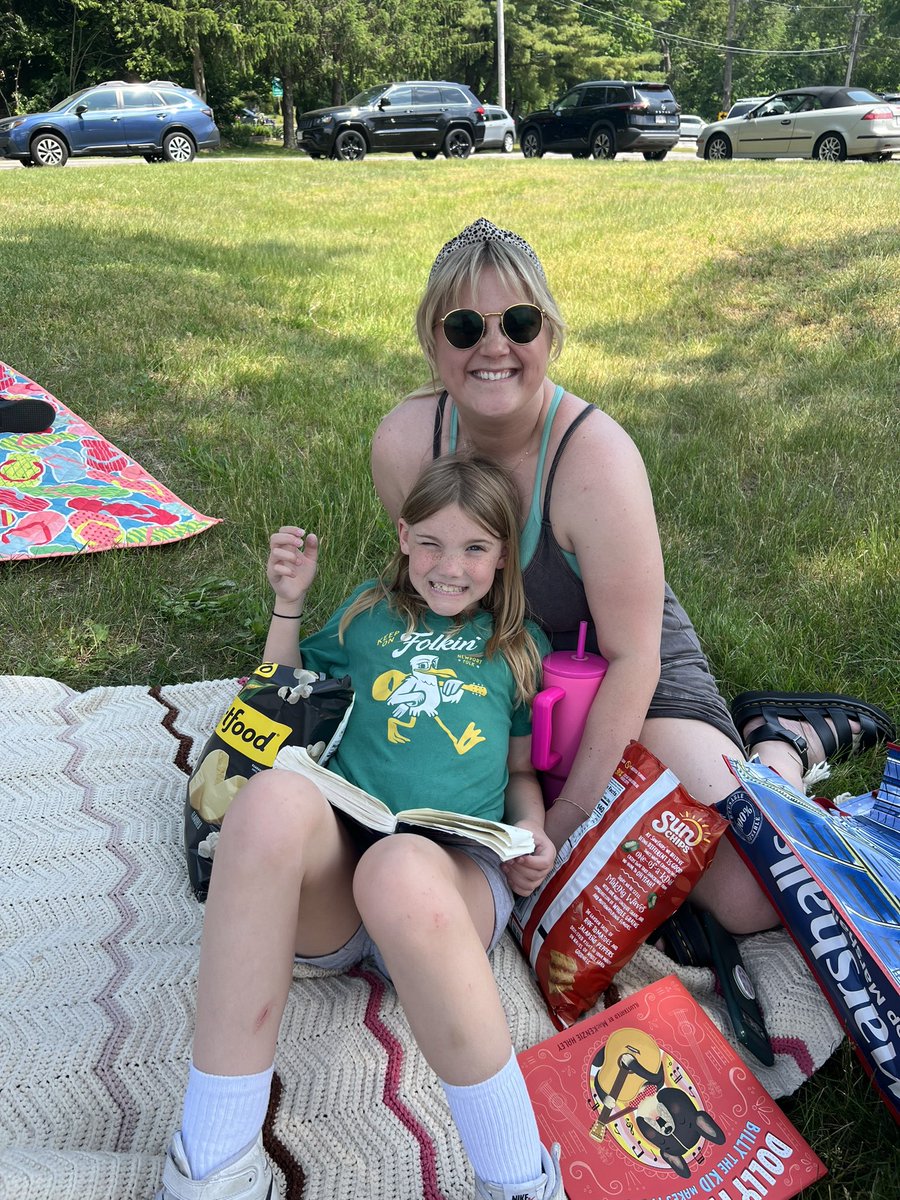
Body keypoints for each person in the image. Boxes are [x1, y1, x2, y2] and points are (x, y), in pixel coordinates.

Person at [371, 217, 895, 936]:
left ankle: (782, 740)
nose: (494, 346)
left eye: (519, 323)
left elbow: (636, 657)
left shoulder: (596, 460)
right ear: (432, 342)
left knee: (753, 895)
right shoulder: (406, 444)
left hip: (624, 669)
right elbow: (429, 594)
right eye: (465, 327)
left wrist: (564, 825)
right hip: (494, 663)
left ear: (549, 335)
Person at [156, 454, 568, 1200]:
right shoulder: (366, 614)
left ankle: (517, 1180)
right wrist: (288, 604)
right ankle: (214, 1164)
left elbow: (518, 774)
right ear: (404, 537)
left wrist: (532, 834)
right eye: (431, 544)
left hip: (448, 887)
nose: (450, 567)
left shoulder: (516, 647)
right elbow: (283, 695)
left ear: (503, 556)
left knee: (401, 866)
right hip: (341, 880)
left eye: (475, 548)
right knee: (270, 800)